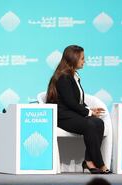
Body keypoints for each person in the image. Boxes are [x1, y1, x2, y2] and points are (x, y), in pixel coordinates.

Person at [46, 45, 109, 174]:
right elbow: (69, 102)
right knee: (90, 124)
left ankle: (88, 160)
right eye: (82, 58)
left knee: (99, 122)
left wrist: (89, 109)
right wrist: (88, 112)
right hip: (63, 116)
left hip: (72, 114)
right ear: (73, 59)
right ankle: (99, 163)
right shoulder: (63, 77)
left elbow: (77, 100)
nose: (84, 61)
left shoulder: (74, 75)